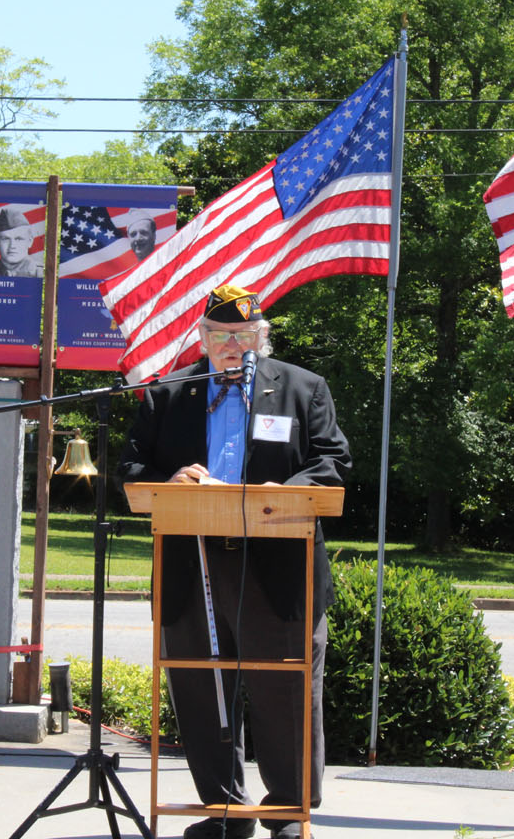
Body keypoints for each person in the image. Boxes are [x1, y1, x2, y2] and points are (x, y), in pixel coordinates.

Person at [116, 284, 351, 839]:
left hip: (276, 564)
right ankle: (224, 809)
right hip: (191, 562)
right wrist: (166, 481)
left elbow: (332, 461)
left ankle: (289, 812)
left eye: (244, 336)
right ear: (202, 339)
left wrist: (286, 489)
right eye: (220, 336)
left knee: (284, 690)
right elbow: (129, 470)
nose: (232, 346)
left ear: (262, 339)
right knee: (200, 688)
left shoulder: (302, 389)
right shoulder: (168, 393)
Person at [0, 207, 43, 277]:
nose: (12, 246)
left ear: (30, 241)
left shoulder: (41, 273)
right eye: (5, 239)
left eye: (18, 239)